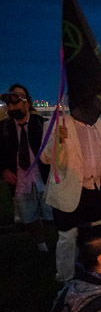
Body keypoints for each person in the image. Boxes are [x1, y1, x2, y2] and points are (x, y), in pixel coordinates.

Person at [41, 103, 101, 282]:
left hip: (96, 189)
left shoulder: (100, 125)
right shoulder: (55, 124)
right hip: (67, 189)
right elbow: (45, 159)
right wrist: (57, 141)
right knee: (68, 238)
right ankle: (65, 279)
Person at [0, 85, 52, 252]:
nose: (12, 106)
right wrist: (3, 170)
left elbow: (55, 151)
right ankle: (42, 245)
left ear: (27, 104)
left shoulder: (42, 125)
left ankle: (62, 241)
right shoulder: (3, 128)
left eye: (17, 100)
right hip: (20, 181)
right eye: (9, 103)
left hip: (43, 178)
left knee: (53, 214)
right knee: (29, 217)